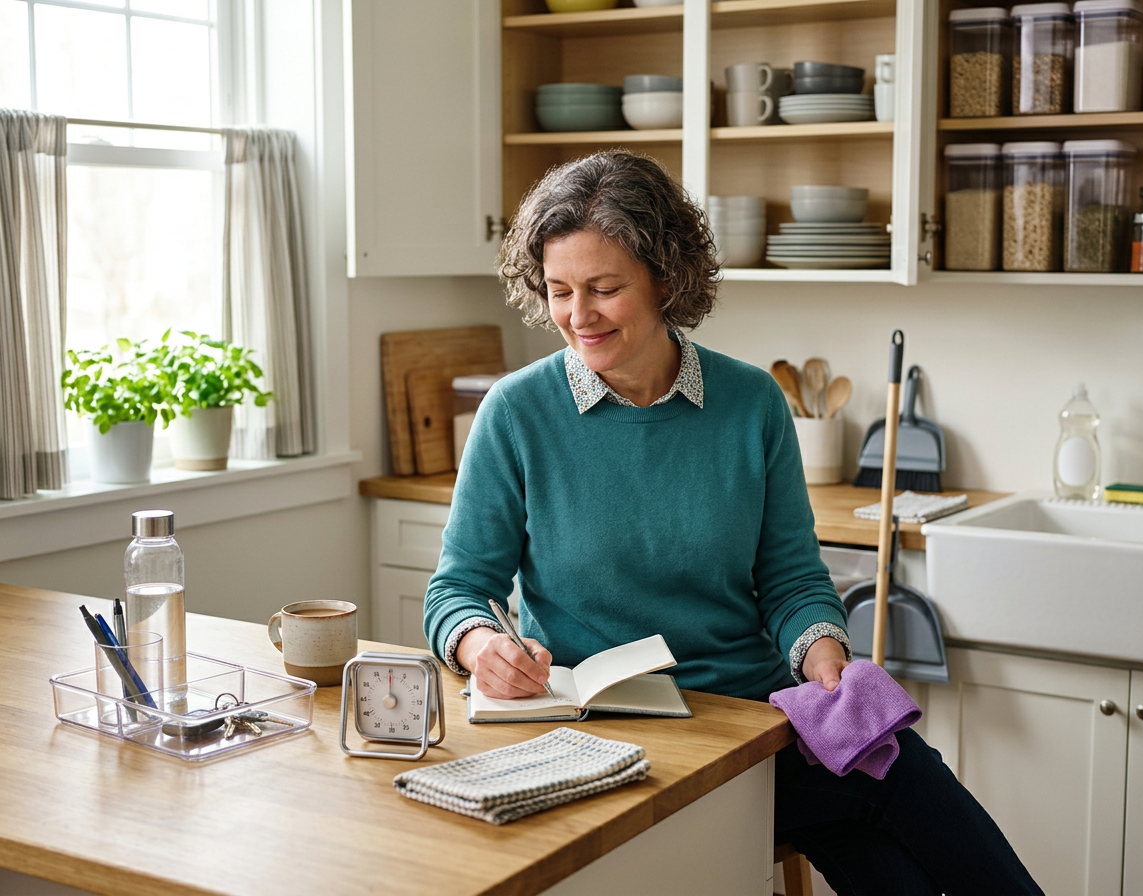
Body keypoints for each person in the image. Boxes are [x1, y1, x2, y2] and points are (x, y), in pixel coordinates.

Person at [423, 150, 1042, 896]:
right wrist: (481, 642)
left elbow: (791, 579)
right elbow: (457, 589)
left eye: (605, 288)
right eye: (558, 291)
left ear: (665, 277)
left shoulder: (750, 403)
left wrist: (821, 652)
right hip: (601, 744)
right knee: (896, 782)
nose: (578, 316)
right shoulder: (517, 414)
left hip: (746, 730)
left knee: (890, 813)